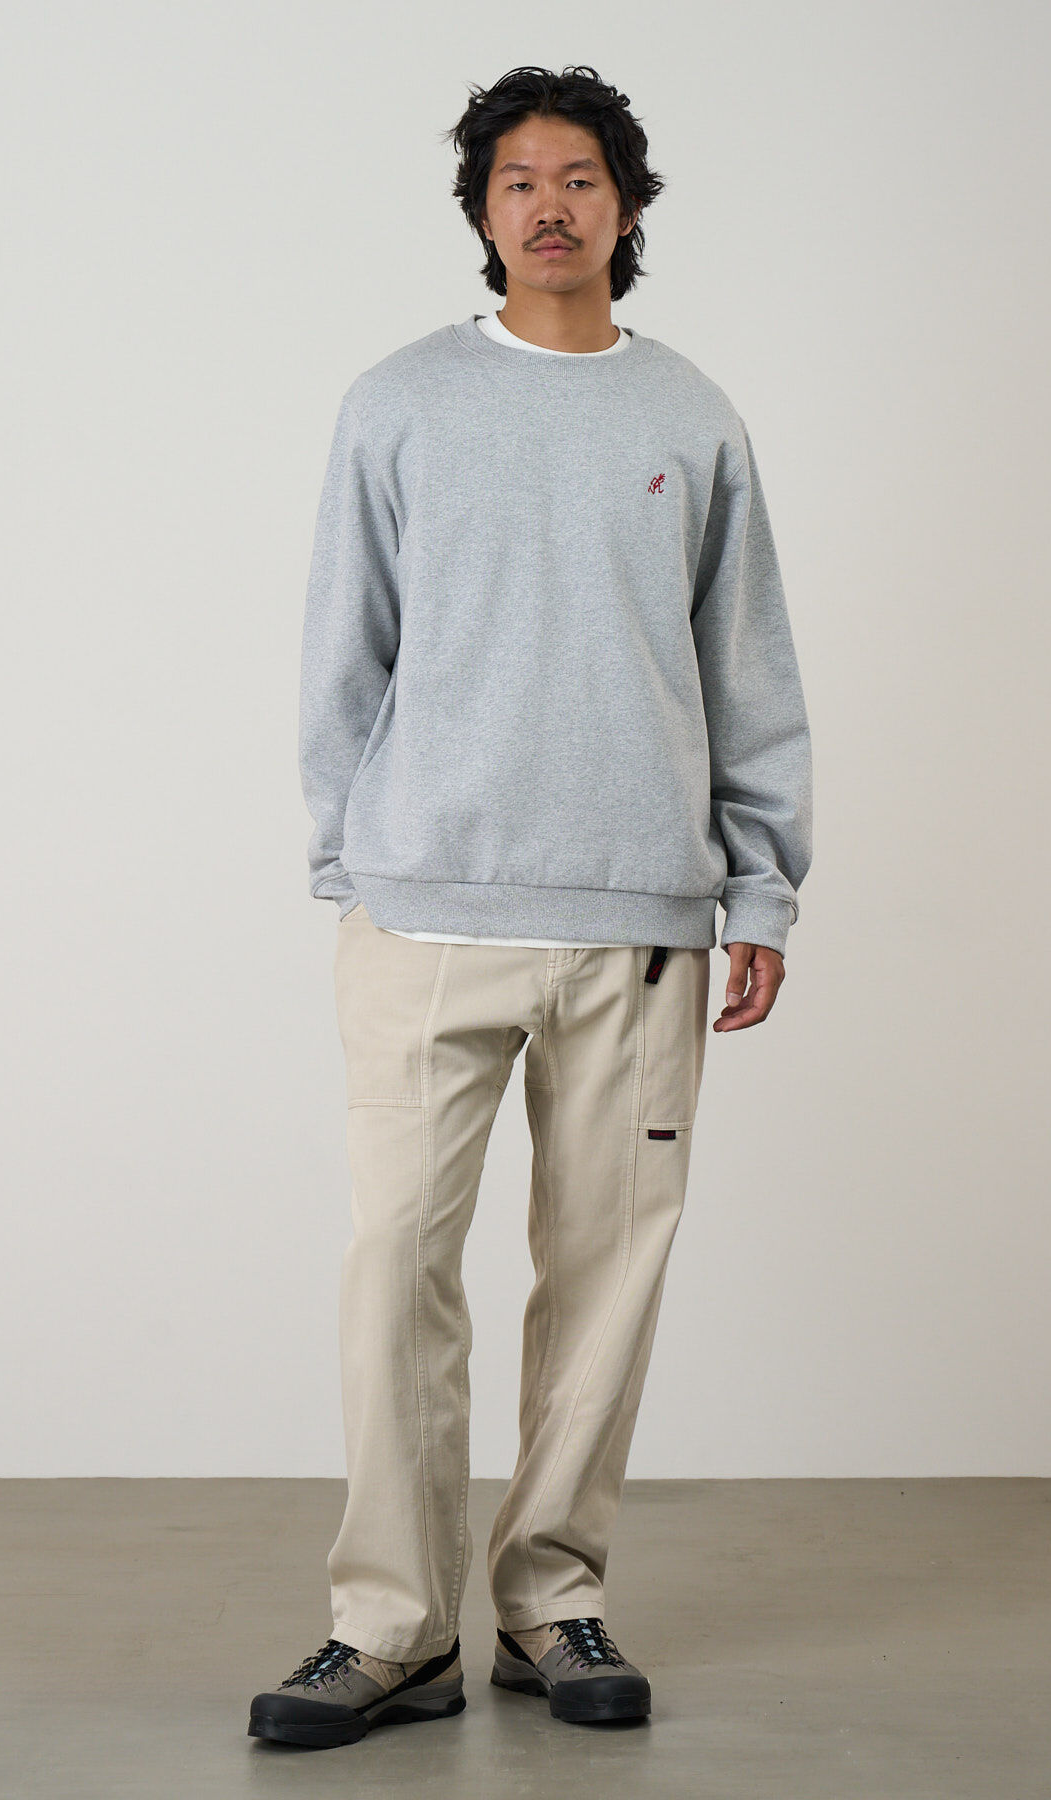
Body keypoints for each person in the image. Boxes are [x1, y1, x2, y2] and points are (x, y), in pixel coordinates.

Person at [248, 63, 813, 1751]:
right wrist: (360, 859)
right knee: (396, 1271)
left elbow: (748, 666)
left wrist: (761, 883)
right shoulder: (401, 402)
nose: (549, 206)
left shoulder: (692, 415)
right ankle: (390, 1628)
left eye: (579, 179)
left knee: (605, 1275)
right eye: (517, 181)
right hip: (426, 915)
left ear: (626, 210)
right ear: (482, 213)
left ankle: (552, 1600)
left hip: (642, 918)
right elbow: (342, 651)